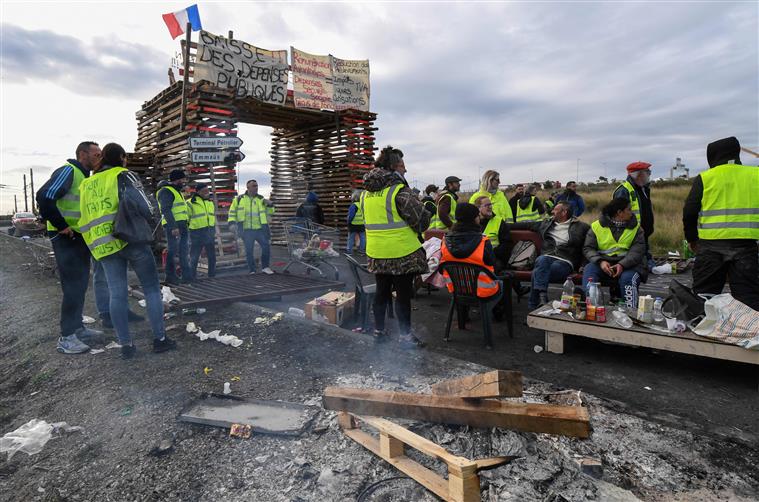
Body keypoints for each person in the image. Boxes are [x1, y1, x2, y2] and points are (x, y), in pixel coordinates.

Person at [78, 143, 176, 359]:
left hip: (104, 245)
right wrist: (152, 219)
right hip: (131, 239)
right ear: (122, 157)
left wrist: (94, 245)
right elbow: (146, 206)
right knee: (151, 289)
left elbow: (83, 218)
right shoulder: (124, 175)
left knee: (117, 294)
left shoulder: (86, 184)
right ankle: (160, 340)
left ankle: (126, 346)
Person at [36, 141, 105, 354]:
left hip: (79, 238)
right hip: (67, 238)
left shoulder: (85, 177)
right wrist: (62, 226)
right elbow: (44, 196)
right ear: (82, 154)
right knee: (73, 287)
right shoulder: (69, 171)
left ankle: (77, 328)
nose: (99, 158)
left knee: (80, 284)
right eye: (96, 154)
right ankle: (66, 337)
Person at [362, 145, 430, 348]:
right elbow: (421, 221)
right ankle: (405, 336)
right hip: (402, 253)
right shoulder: (399, 192)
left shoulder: (366, 194)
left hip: (376, 252)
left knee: (381, 293)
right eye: (402, 165)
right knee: (403, 296)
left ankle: (379, 333)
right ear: (393, 167)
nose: (405, 170)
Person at [683, 136, 759, 311]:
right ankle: (749, 334)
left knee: (705, 298)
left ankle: (703, 334)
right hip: (746, 247)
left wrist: (692, 239)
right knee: (748, 299)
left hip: (710, 248)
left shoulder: (705, 178)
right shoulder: (756, 175)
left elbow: (689, 212)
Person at [440, 203, 502, 344]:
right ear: (474, 219)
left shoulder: (445, 240)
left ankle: (463, 319)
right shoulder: (482, 240)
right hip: (482, 291)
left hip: (457, 289)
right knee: (503, 282)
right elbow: (491, 262)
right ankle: (499, 317)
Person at [512, 201, 590, 309]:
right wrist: (502, 225)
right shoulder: (546, 224)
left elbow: (588, 246)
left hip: (565, 261)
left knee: (537, 271)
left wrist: (584, 264)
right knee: (542, 261)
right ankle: (542, 297)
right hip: (546, 258)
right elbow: (526, 225)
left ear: (564, 212)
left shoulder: (582, 227)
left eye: (555, 210)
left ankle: (534, 307)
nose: (552, 211)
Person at [582, 198, 646, 310]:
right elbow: (588, 248)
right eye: (629, 209)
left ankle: (631, 314)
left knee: (628, 280)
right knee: (589, 272)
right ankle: (591, 308)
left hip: (630, 266)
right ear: (619, 213)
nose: (632, 212)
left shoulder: (637, 229)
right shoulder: (596, 226)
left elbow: (637, 252)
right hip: (602, 264)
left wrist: (622, 264)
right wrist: (600, 261)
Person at [228, 179, 275, 274]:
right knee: (249, 250)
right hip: (247, 230)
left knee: (266, 247)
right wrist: (231, 223)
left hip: (260, 229)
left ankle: (265, 267)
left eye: (256, 185)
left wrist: (270, 205)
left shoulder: (261, 199)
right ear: (248, 187)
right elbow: (232, 212)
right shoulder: (239, 199)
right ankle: (252, 270)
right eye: (254, 186)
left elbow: (270, 213)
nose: (256, 187)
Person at [614, 162, 654, 263]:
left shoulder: (643, 188)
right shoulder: (623, 190)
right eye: (647, 172)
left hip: (642, 235)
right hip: (631, 235)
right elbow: (619, 216)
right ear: (639, 174)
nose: (649, 174)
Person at [156, 169, 190, 284]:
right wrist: (173, 226)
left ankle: (186, 276)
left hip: (182, 225)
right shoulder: (166, 191)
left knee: (183, 251)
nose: (184, 181)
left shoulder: (176, 191)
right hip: (174, 226)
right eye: (183, 179)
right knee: (173, 250)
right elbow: (166, 209)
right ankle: (170, 276)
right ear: (178, 179)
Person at [187, 183, 217, 280]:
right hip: (196, 232)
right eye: (204, 191)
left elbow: (211, 218)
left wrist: (213, 230)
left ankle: (212, 276)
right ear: (198, 192)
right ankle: (192, 277)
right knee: (194, 257)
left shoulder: (210, 203)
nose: (207, 193)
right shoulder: (190, 203)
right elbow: (186, 219)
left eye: (207, 191)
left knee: (212, 256)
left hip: (209, 232)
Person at [346, 190, 365, 254]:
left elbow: (351, 216)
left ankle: (349, 251)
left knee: (351, 238)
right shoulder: (363, 205)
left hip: (353, 224)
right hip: (362, 224)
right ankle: (361, 251)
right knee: (362, 237)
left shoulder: (353, 206)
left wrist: (348, 222)